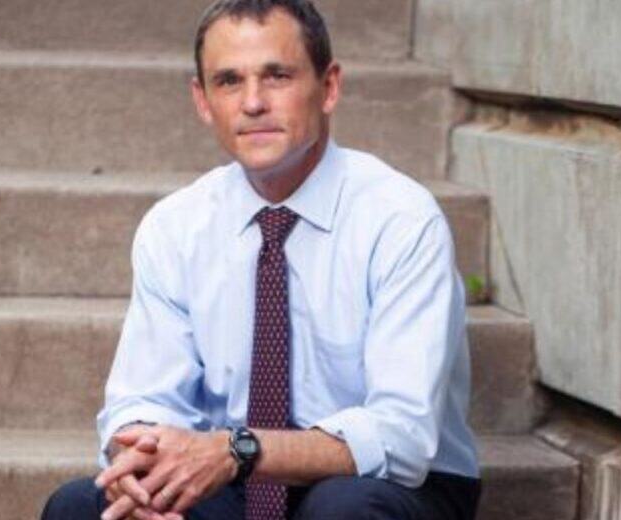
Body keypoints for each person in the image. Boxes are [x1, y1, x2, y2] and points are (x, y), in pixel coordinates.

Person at [41, 1, 480, 519]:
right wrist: (138, 468)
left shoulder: (401, 221)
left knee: (344, 509)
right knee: (79, 507)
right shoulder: (176, 226)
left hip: (386, 484)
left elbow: (402, 436)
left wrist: (237, 450)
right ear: (203, 101)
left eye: (277, 76)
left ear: (329, 87)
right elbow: (142, 400)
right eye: (229, 81)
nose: (252, 102)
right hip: (232, 479)